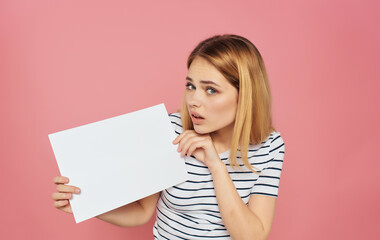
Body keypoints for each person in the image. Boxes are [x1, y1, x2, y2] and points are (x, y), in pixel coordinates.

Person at [52, 34, 285, 239]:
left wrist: (216, 167)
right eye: (190, 86)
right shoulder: (169, 129)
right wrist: (86, 203)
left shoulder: (270, 147)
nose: (193, 100)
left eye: (211, 90)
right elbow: (142, 212)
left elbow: (252, 236)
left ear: (245, 95)